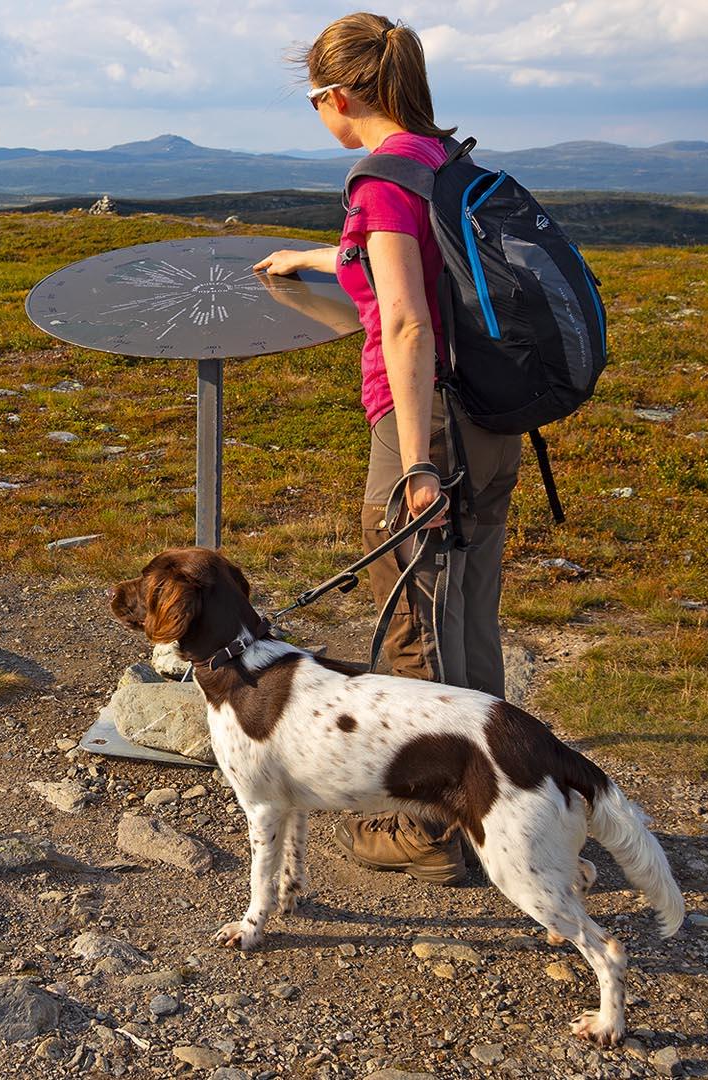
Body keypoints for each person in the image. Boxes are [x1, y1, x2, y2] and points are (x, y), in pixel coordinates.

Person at [254, 13, 522, 886]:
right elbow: (405, 265)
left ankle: (436, 833)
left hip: (429, 425)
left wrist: (413, 463)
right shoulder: (437, 159)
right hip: (489, 419)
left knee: (416, 624)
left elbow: (406, 320)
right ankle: (502, 806)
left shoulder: (378, 180)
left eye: (313, 101)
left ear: (335, 96)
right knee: (468, 615)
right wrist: (320, 256)